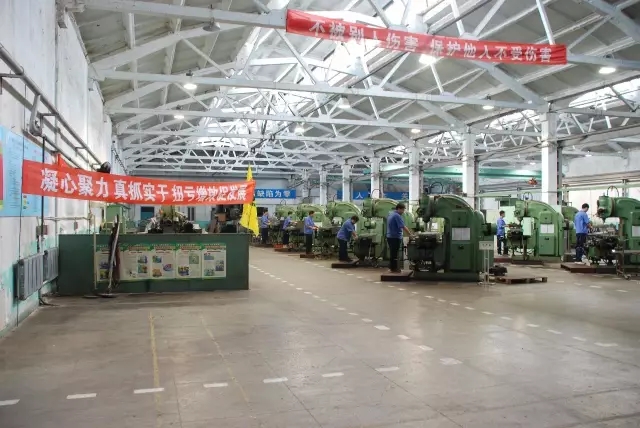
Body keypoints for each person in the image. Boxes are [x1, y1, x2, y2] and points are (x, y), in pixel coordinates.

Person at [386, 203, 413, 273]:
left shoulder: (391, 214)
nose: (403, 212)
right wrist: (410, 234)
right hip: (395, 237)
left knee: (392, 253)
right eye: (403, 210)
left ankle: (392, 267)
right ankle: (394, 268)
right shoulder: (397, 216)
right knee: (394, 254)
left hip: (390, 236)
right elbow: (403, 226)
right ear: (399, 209)